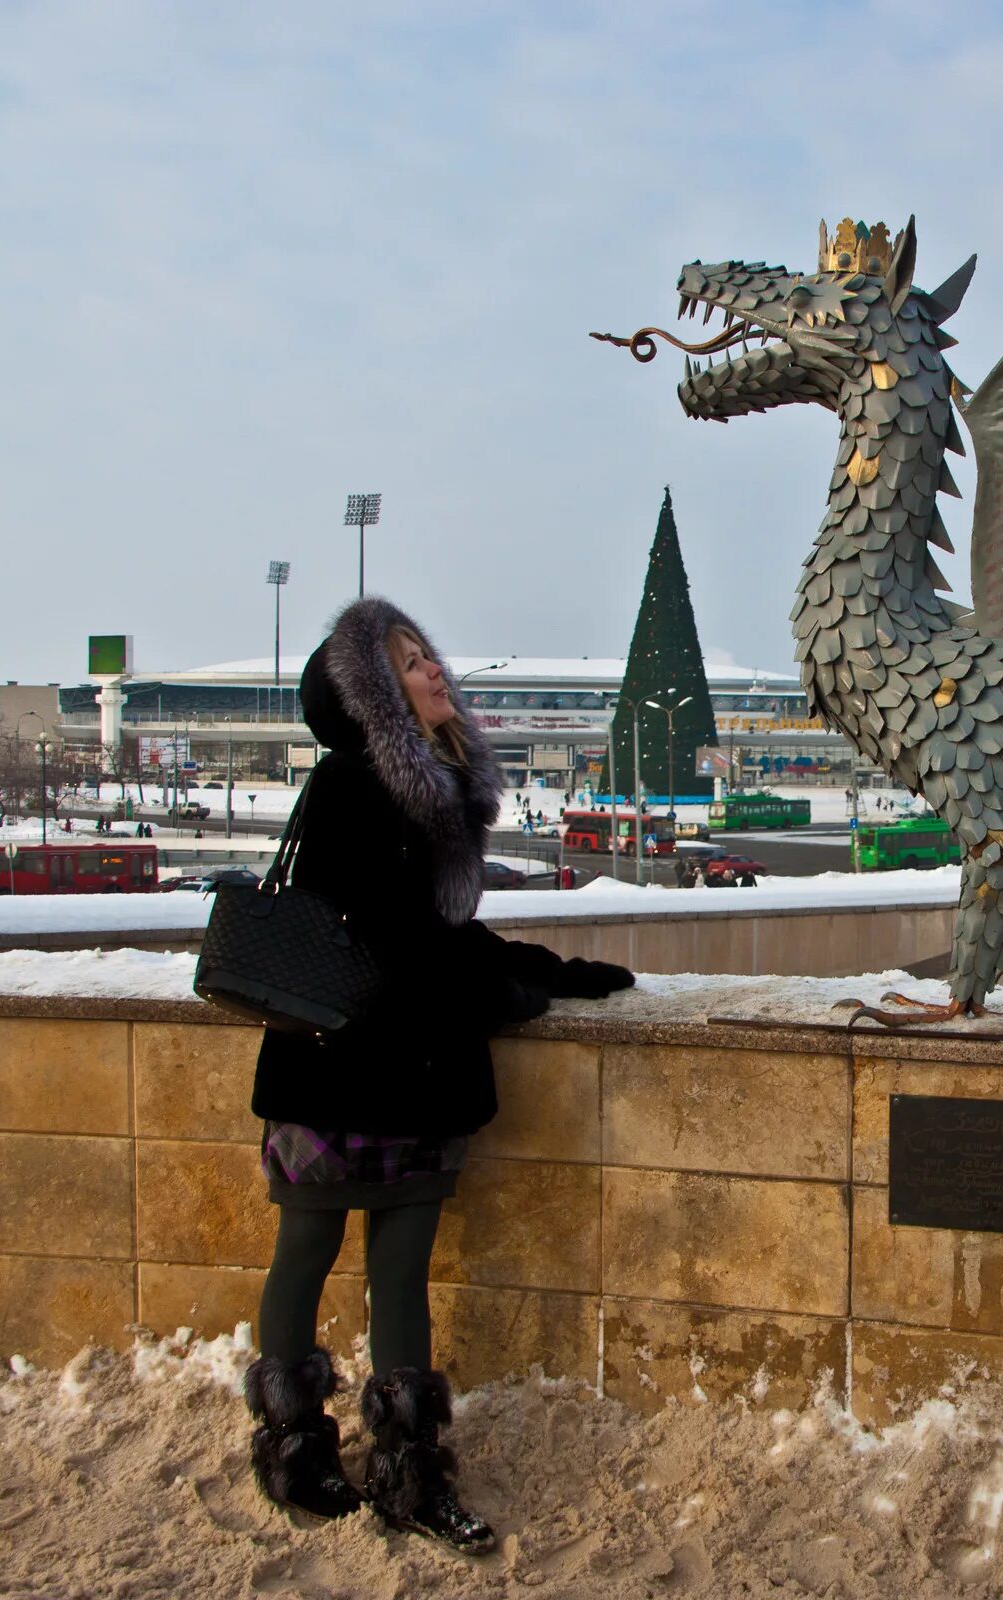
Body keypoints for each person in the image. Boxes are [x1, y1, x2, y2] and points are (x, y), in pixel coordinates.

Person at [242, 598, 635, 1546]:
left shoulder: (439, 788)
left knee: (404, 1271)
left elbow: (443, 933)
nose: (434, 673)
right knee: (307, 1248)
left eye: (429, 657)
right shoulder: (351, 787)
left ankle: (409, 1470)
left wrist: (546, 972)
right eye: (409, 662)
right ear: (375, 693)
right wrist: (512, 983)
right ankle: (295, 1444)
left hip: (411, 1067)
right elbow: (393, 936)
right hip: (341, 1062)